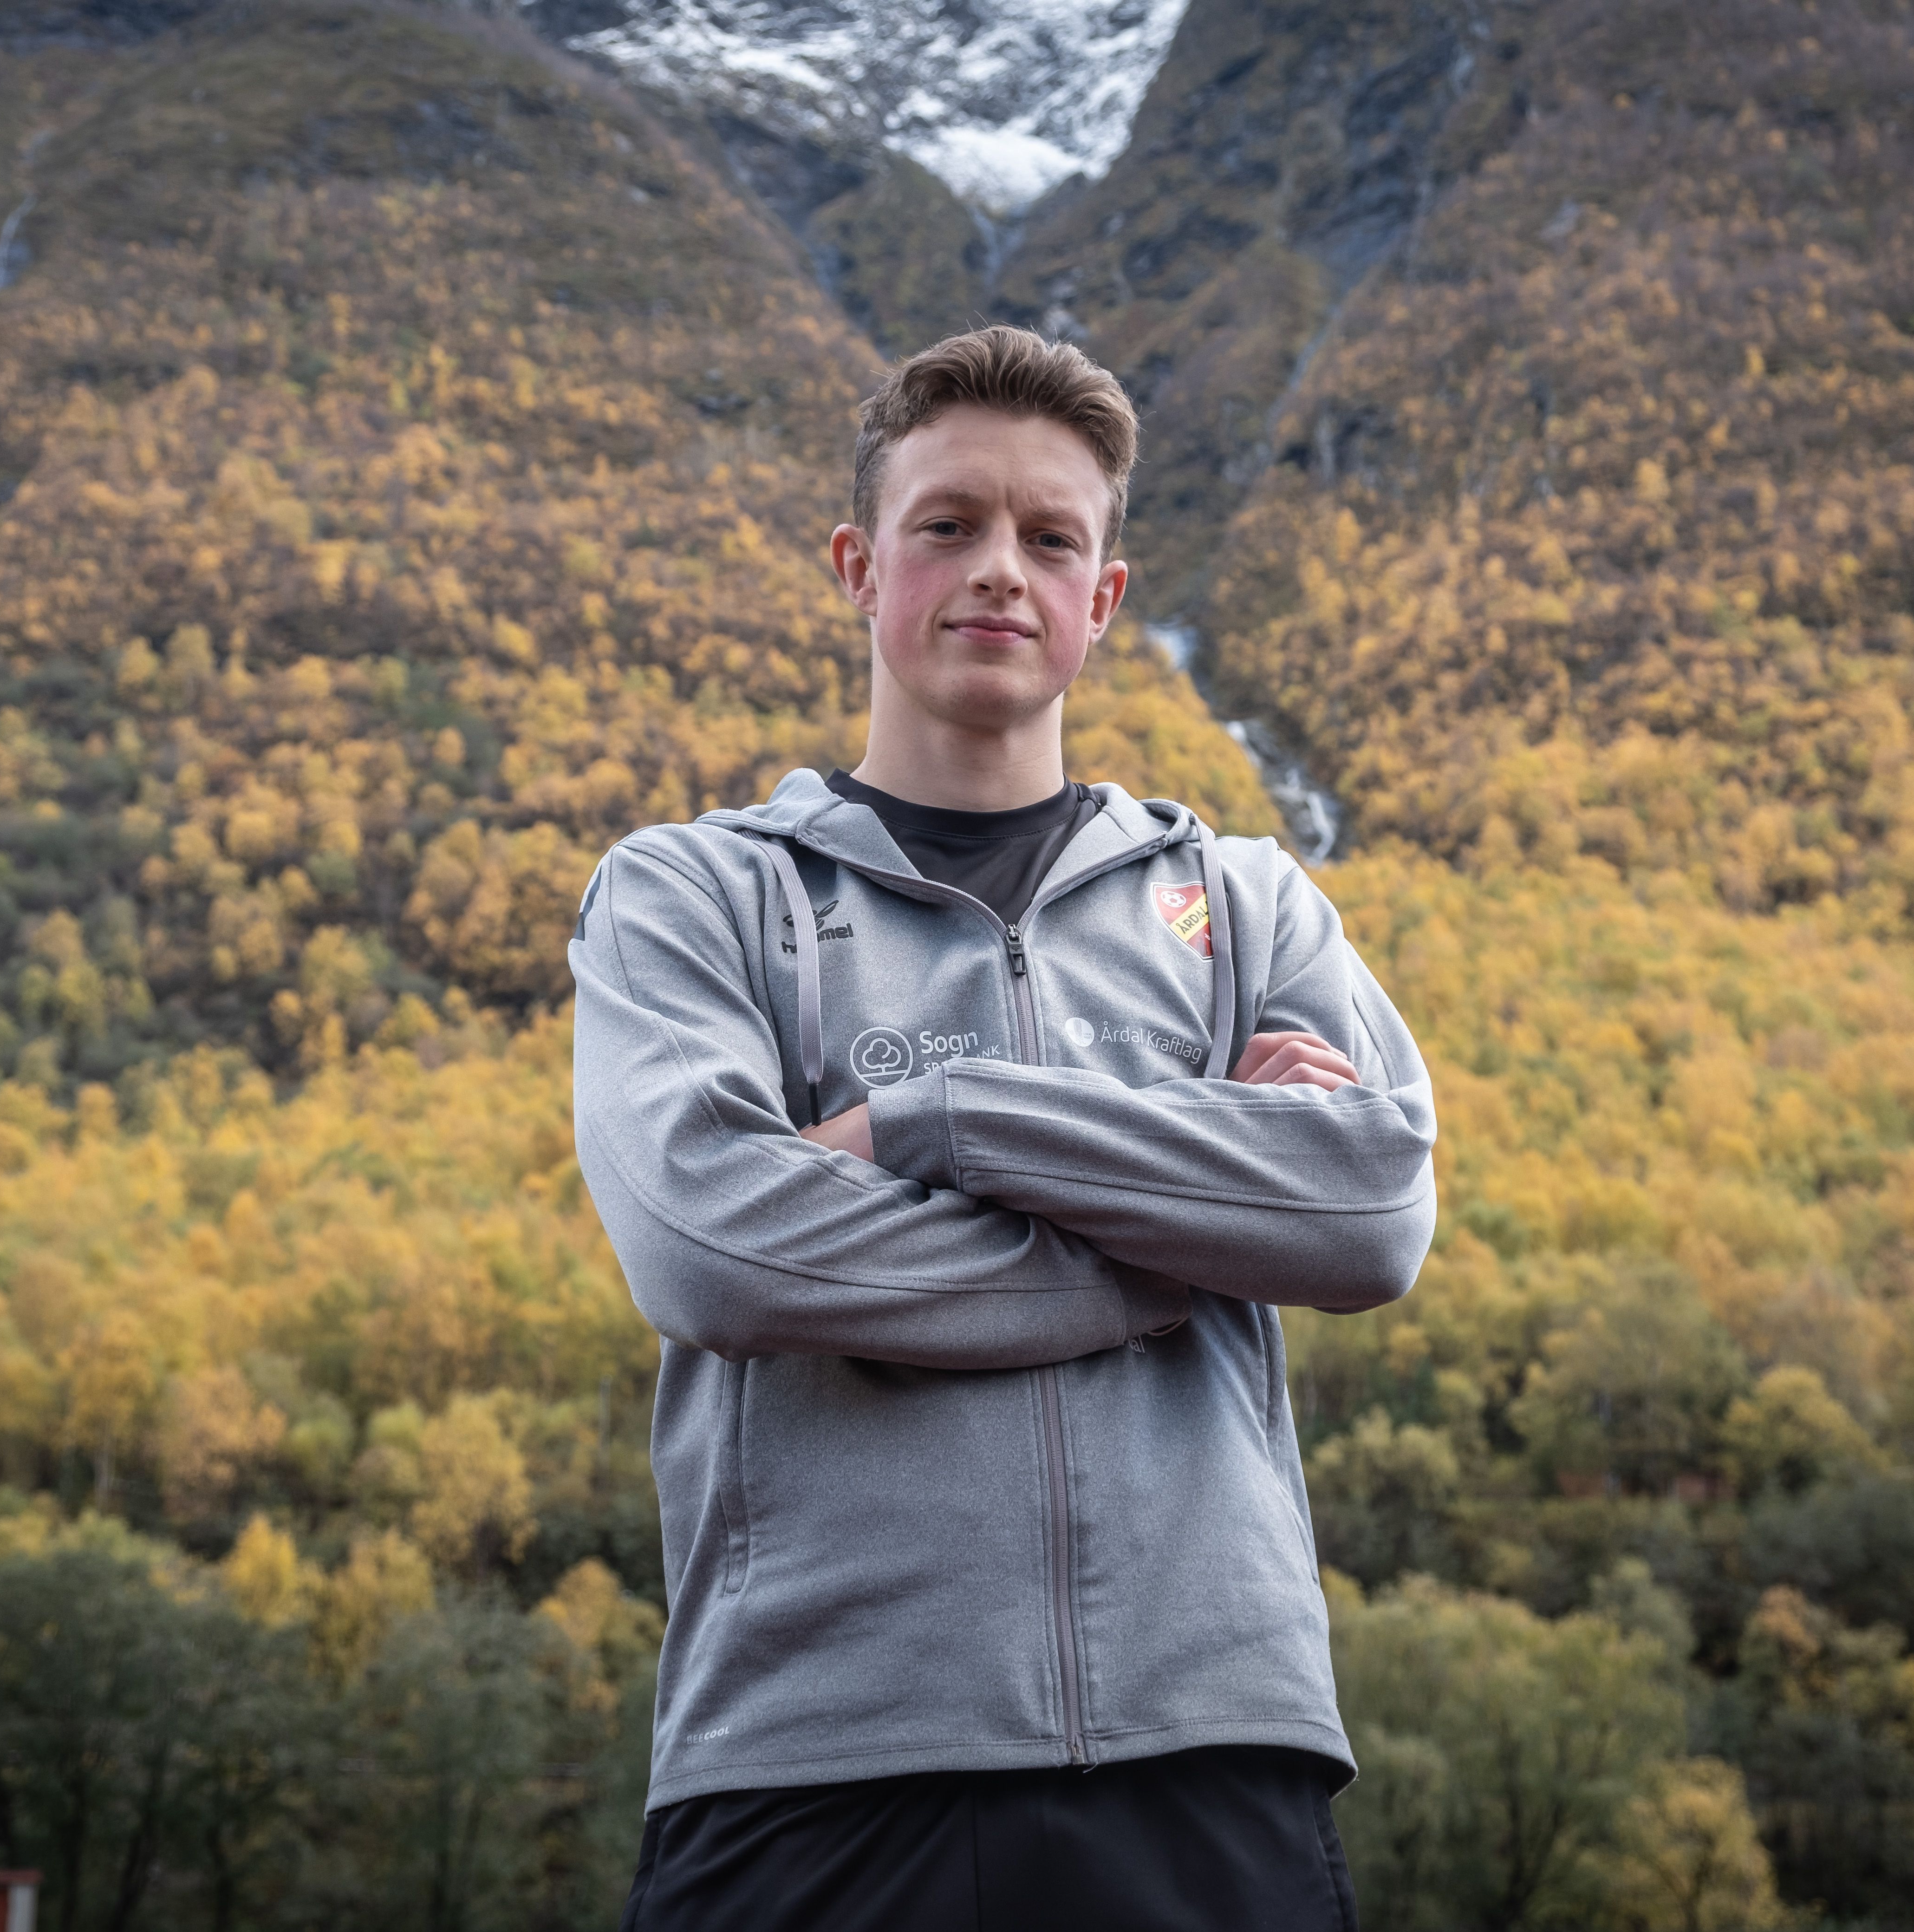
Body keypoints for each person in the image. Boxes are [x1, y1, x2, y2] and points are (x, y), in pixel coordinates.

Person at [569, 325, 1438, 1931]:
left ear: (1103, 597)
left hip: (1210, 1754)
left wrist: (930, 1116)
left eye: (1050, 538)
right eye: (948, 524)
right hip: (814, 1768)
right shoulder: (692, 894)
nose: (998, 570)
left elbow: (1370, 1209)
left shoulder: (1246, 902)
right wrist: (1180, 1237)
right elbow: (713, 1249)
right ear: (859, 566)